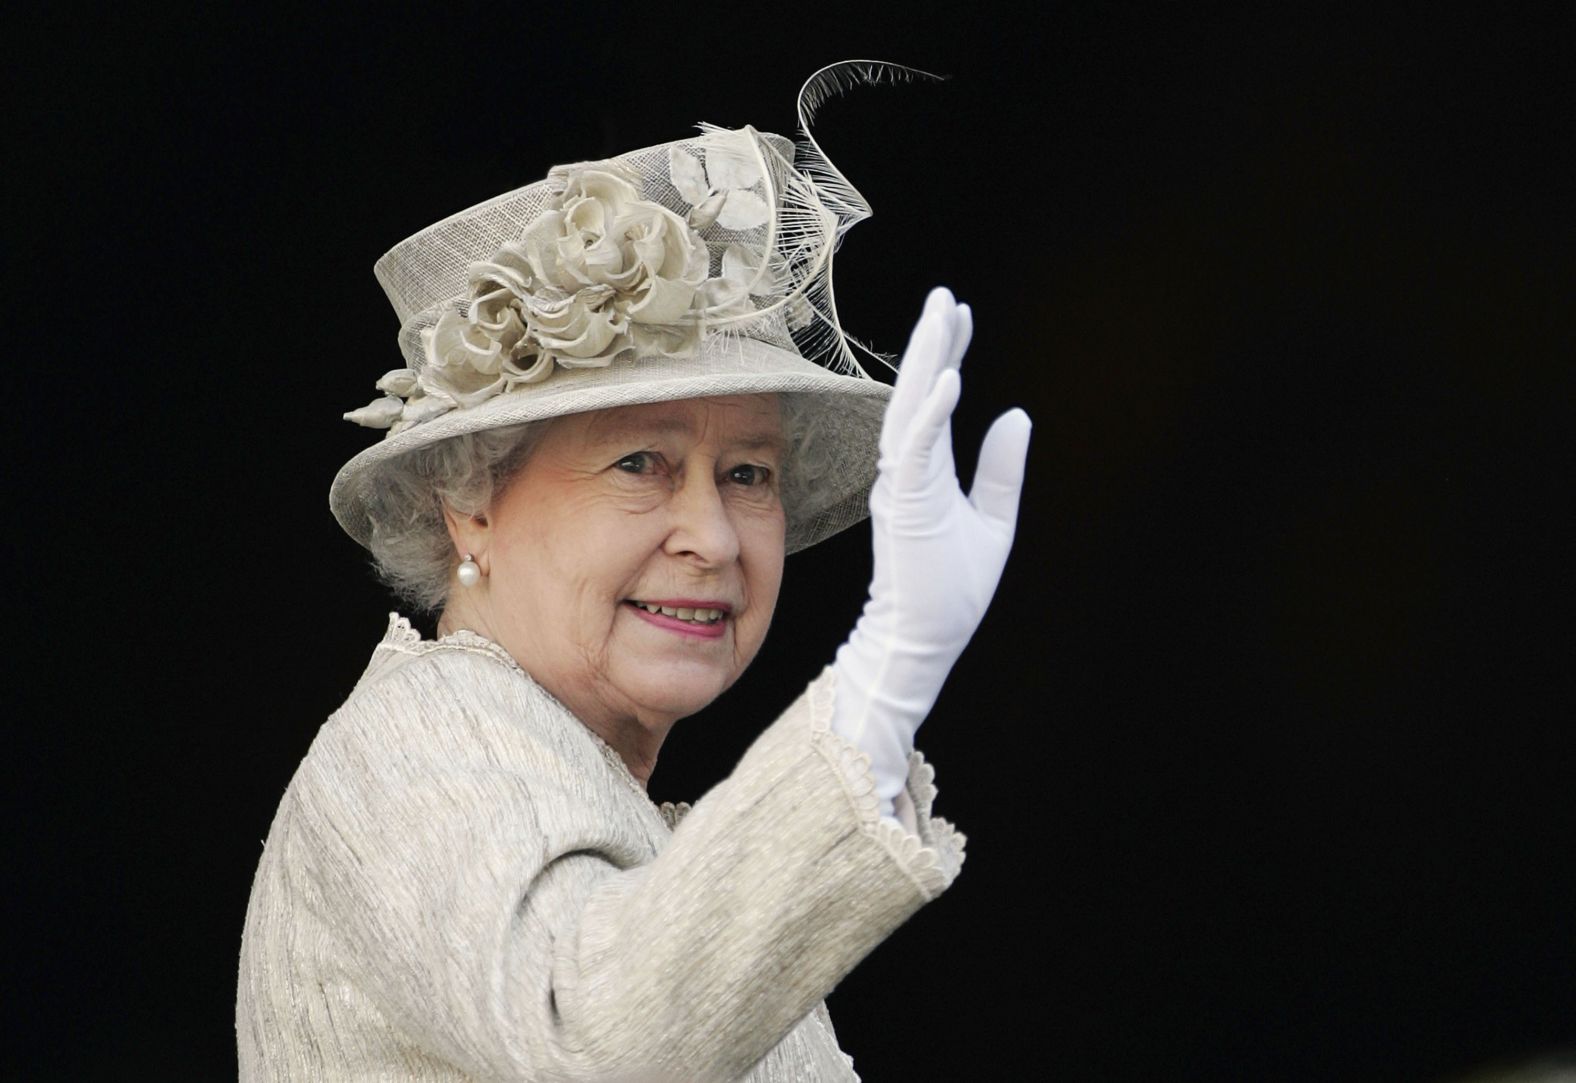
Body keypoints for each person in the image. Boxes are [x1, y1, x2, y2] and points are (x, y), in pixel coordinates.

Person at [236, 63, 1032, 1082]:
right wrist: (887, 674)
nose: (711, 535)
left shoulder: (587, 790)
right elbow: (591, 1035)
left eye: (747, 473)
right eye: (639, 464)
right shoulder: (417, 743)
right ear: (470, 499)